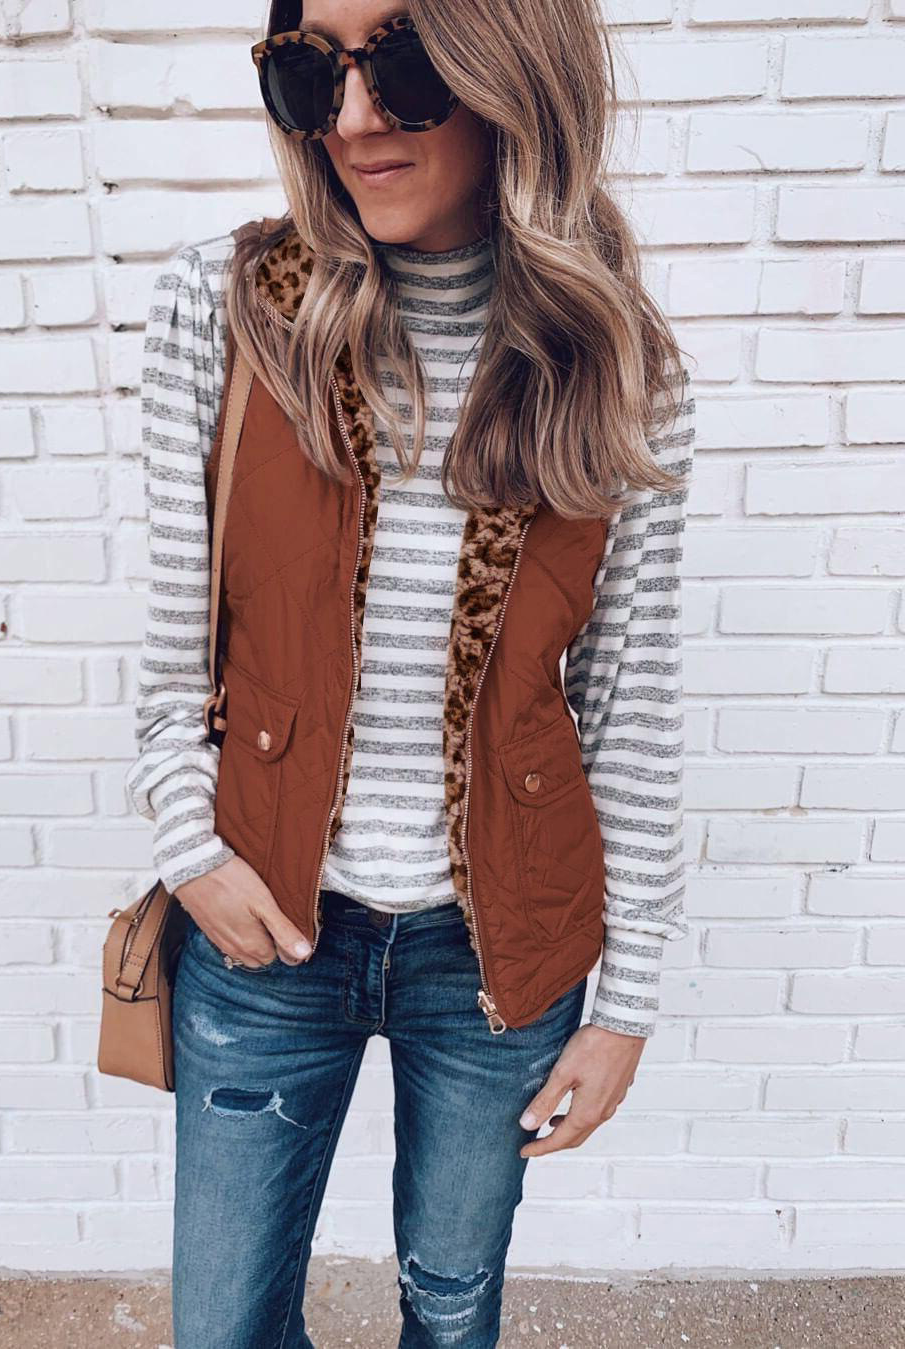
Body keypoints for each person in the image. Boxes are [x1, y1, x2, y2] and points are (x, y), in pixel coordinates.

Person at [126, 1, 695, 1344]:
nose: (353, 119)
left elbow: (630, 705)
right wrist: (189, 848)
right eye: (310, 72)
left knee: (451, 1308)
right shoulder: (226, 310)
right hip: (266, 921)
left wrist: (626, 1005)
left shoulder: (614, 362)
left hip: (499, 947)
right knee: (224, 1324)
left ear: (514, 66)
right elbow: (169, 650)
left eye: (406, 64)